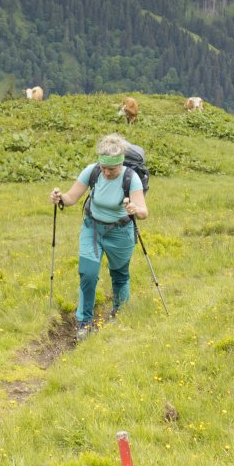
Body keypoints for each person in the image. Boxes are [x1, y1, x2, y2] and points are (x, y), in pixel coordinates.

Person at [49, 134, 148, 340]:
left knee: (119, 274)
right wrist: (59, 198)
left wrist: (134, 209)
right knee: (88, 274)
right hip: (92, 228)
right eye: (103, 168)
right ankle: (84, 322)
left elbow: (143, 212)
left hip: (120, 233)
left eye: (111, 169)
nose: (106, 172)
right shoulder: (92, 171)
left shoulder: (131, 177)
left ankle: (119, 312)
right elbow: (71, 198)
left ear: (120, 164)